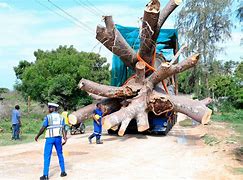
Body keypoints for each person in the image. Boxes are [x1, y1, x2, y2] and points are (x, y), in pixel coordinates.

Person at [35, 103, 67, 180]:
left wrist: (37, 136)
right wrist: (65, 137)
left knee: (47, 155)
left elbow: (43, 127)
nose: (48, 109)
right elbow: (63, 128)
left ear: (53, 108)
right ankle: (63, 172)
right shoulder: (61, 117)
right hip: (58, 138)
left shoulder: (48, 117)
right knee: (60, 154)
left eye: (49, 108)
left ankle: (45, 175)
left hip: (50, 138)